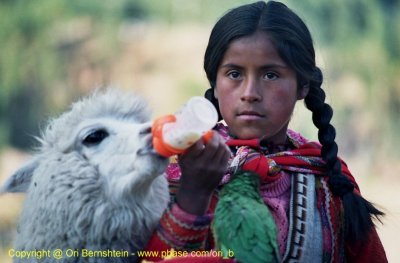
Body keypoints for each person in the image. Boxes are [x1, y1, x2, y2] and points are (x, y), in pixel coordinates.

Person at [142, 1, 387, 262]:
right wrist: (194, 192)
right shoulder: (172, 170)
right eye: (234, 73)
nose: (249, 94)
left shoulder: (329, 180)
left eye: (270, 75)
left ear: (303, 86)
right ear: (215, 83)